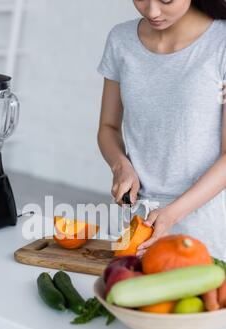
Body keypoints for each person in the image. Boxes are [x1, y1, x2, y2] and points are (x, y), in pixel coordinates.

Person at [97, 0, 226, 259]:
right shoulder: (121, 40)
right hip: (139, 224)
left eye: (166, 0)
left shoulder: (221, 42)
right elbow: (108, 127)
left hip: (206, 229)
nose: (152, 11)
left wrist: (173, 213)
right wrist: (120, 166)